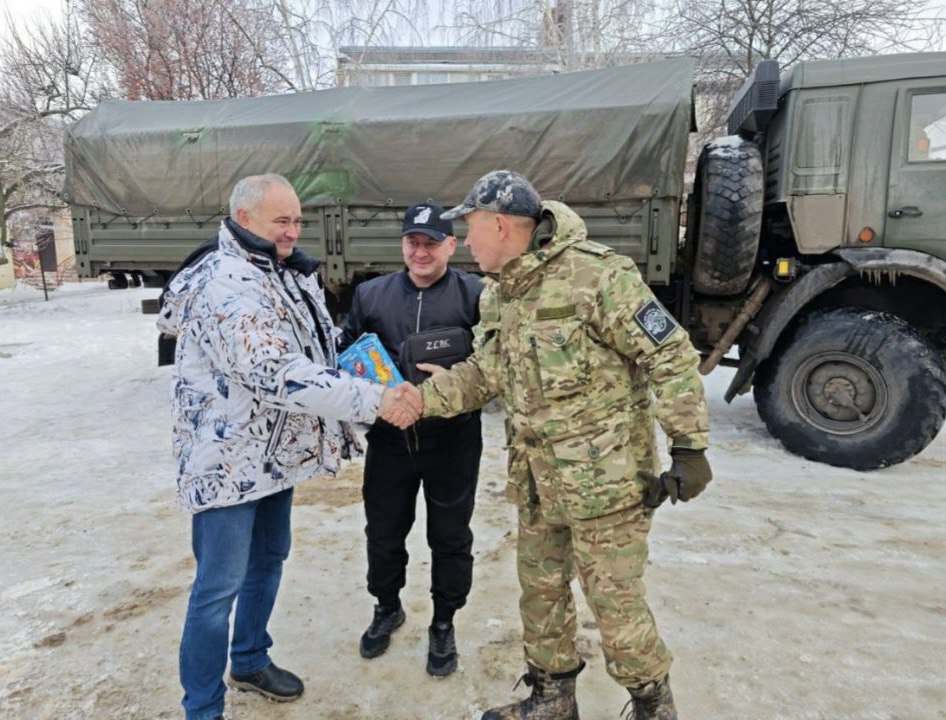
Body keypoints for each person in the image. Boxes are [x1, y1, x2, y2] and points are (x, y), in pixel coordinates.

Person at [411, 170, 712, 720]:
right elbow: (486, 372)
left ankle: (653, 706)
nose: (465, 242)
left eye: (470, 228)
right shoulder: (501, 292)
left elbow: (669, 354)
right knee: (540, 594)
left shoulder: (597, 277)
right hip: (537, 482)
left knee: (616, 607)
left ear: (499, 224)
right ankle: (553, 699)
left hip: (607, 487)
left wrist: (688, 446)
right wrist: (420, 400)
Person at [157, 173, 420, 720]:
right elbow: (277, 373)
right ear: (245, 218)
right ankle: (203, 708)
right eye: (282, 220)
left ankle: (250, 658)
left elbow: (313, 350)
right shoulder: (224, 283)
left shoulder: (279, 271)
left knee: (269, 560)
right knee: (216, 590)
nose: (293, 231)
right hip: (227, 462)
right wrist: (373, 399)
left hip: (271, 456)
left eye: (298, 220)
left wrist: (364, 366)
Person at [339, 202, 485, 676]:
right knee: (383, 533)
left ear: (451, 245)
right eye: (411, 242)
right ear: (402, 244)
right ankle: (387, 607)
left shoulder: (477, 296)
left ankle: (444, 622)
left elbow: (497, 363)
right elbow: (346, 354)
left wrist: (457, 379)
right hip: (389, 443)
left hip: (453, 441)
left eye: (430, 243)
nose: (420, 252)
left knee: (450, 537)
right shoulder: (371, 295)